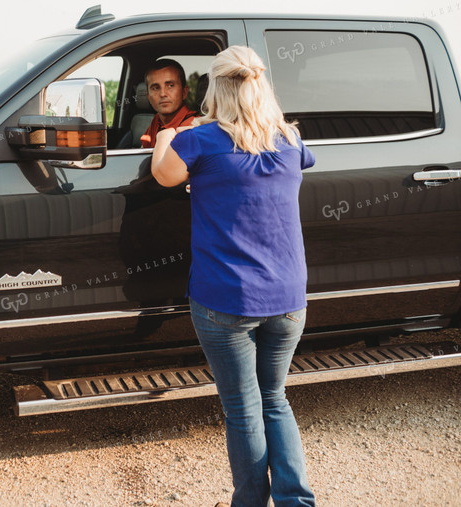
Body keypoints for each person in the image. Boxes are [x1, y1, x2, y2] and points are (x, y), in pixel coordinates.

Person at [151, 46, 316, 507]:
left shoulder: (199, 141)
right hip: (288, 302)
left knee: (244, 411)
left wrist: (172, 133)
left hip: (226, 302)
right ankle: (295, 502)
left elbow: (163, 175)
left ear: (214, 89)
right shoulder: (289, 140)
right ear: (259, 84)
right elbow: (296, 158)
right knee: (275, 399)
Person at [139, 59, 196, 148]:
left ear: (184, 92)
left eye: (170, 86)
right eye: (155, 88)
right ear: (148, 97)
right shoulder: (157, 120)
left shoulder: (193, 127)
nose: (162, 94)